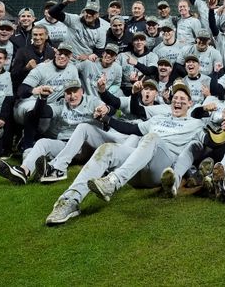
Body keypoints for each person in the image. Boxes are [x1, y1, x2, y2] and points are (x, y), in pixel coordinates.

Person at [44, 82, 205, 225]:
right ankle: (70, 200)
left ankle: (113, 181)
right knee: (107, 149)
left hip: (160, 169)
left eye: (183, 99)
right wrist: (106, 119)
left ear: (190, 103)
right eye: (175, 98)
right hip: (137, 169)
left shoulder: (196, 124)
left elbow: (210, 142)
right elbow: (132, 129)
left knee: (152, 138)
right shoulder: (159, 119)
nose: (178, 101)